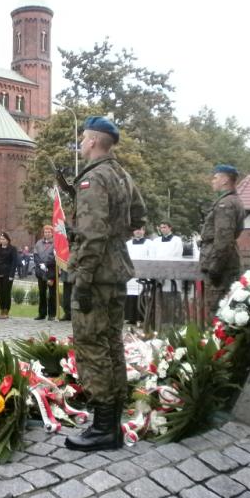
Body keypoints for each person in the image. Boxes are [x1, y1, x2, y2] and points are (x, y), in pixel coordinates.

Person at [65, 116, 146, 452]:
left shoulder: (94, 178)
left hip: (96, 274)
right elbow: (139, 215)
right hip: (116, 270)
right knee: (111, 345)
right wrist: (117, 234)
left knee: (92, 346)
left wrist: (82, 279)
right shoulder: (121, 174)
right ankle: (110, 422)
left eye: (83, 138)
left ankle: (103, 429)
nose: (81, 143)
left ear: (95, 141)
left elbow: (93, 233)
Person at [200, 164, 245, 313]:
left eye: (215, 177)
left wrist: (215, 267)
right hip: (227, 263)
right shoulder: (234, 200)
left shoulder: (225, 204)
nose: (212, 181)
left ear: (225, 180)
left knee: (218, 311)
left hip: (222, 267)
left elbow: (224, 239)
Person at [125, 226, 153, 324]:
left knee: (142, 294)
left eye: (140, 229)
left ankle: (142, 318)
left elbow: (152, 257)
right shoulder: (128, 244)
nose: (138, 231)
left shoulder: (149, 243)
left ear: (144, 231)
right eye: (136, 229)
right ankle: (130, 318)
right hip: (131, 274)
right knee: (130, 293)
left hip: (144, 273)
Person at [0, 231, 18, 319]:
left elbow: (14, 262)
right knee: (0, 292)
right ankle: (1, 309)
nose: (2, 241)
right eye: (1, 239)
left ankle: (6, 310)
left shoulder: (12, 249)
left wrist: (11, 275)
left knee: (6, 292)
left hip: (7, 273)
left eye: (4, 239)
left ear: (8, 240)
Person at [33, 225, 57, 321]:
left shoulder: (56, 243)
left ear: (52, 233)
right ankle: (42, 313)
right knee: (42, 293)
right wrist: (40, 264)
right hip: (41, 270)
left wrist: (47, 264)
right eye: (45, 232)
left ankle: (52, 314)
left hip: (51, 271)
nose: (47, 234)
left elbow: (56, 257)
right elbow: (35, 255)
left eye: (49, 232)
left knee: (52, 294)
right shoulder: (38, 243)